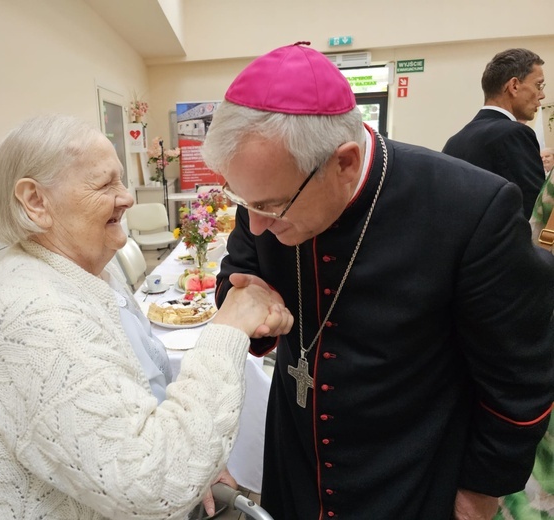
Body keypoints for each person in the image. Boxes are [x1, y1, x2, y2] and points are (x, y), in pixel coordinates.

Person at [201, 42, 554, 520]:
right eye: (246, 204)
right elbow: (236, 276)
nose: (257, 225)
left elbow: (521, 374)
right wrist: (246, 303)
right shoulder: (266, 192)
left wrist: (481, 490)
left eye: (272, 206)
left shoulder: (471, 208)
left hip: (408, 468)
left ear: (344, 163)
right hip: (295, 454)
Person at [0, 114, 292, 520]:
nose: (127, 197)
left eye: (122, 181)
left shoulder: (90, 273)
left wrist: (195, 447)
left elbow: (143, 391)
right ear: (36, 201)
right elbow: (155, 483)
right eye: (106, 183)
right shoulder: (38, 319)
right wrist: (228, 330)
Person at [442, 48, 546, 217]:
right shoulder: (514, 133)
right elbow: (535, 211)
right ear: (514, 86)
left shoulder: (455, 140)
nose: (542, 95)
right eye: (538, 85)